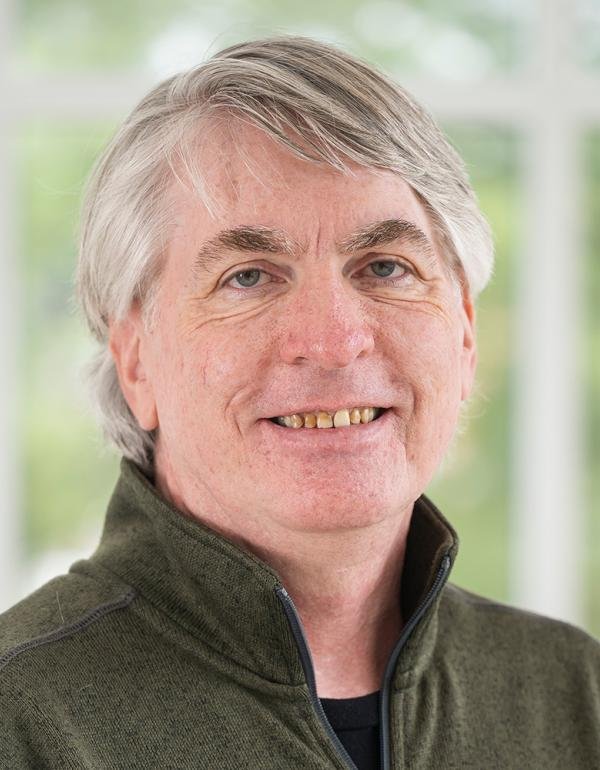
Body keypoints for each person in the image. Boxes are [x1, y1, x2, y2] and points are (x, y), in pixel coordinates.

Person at [1, 35, 599, 770]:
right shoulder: (21, 719)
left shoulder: (574, 695)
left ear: (465, 335)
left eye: (386, 266)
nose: (335, 339)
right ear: (135, 359)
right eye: (249, 276)